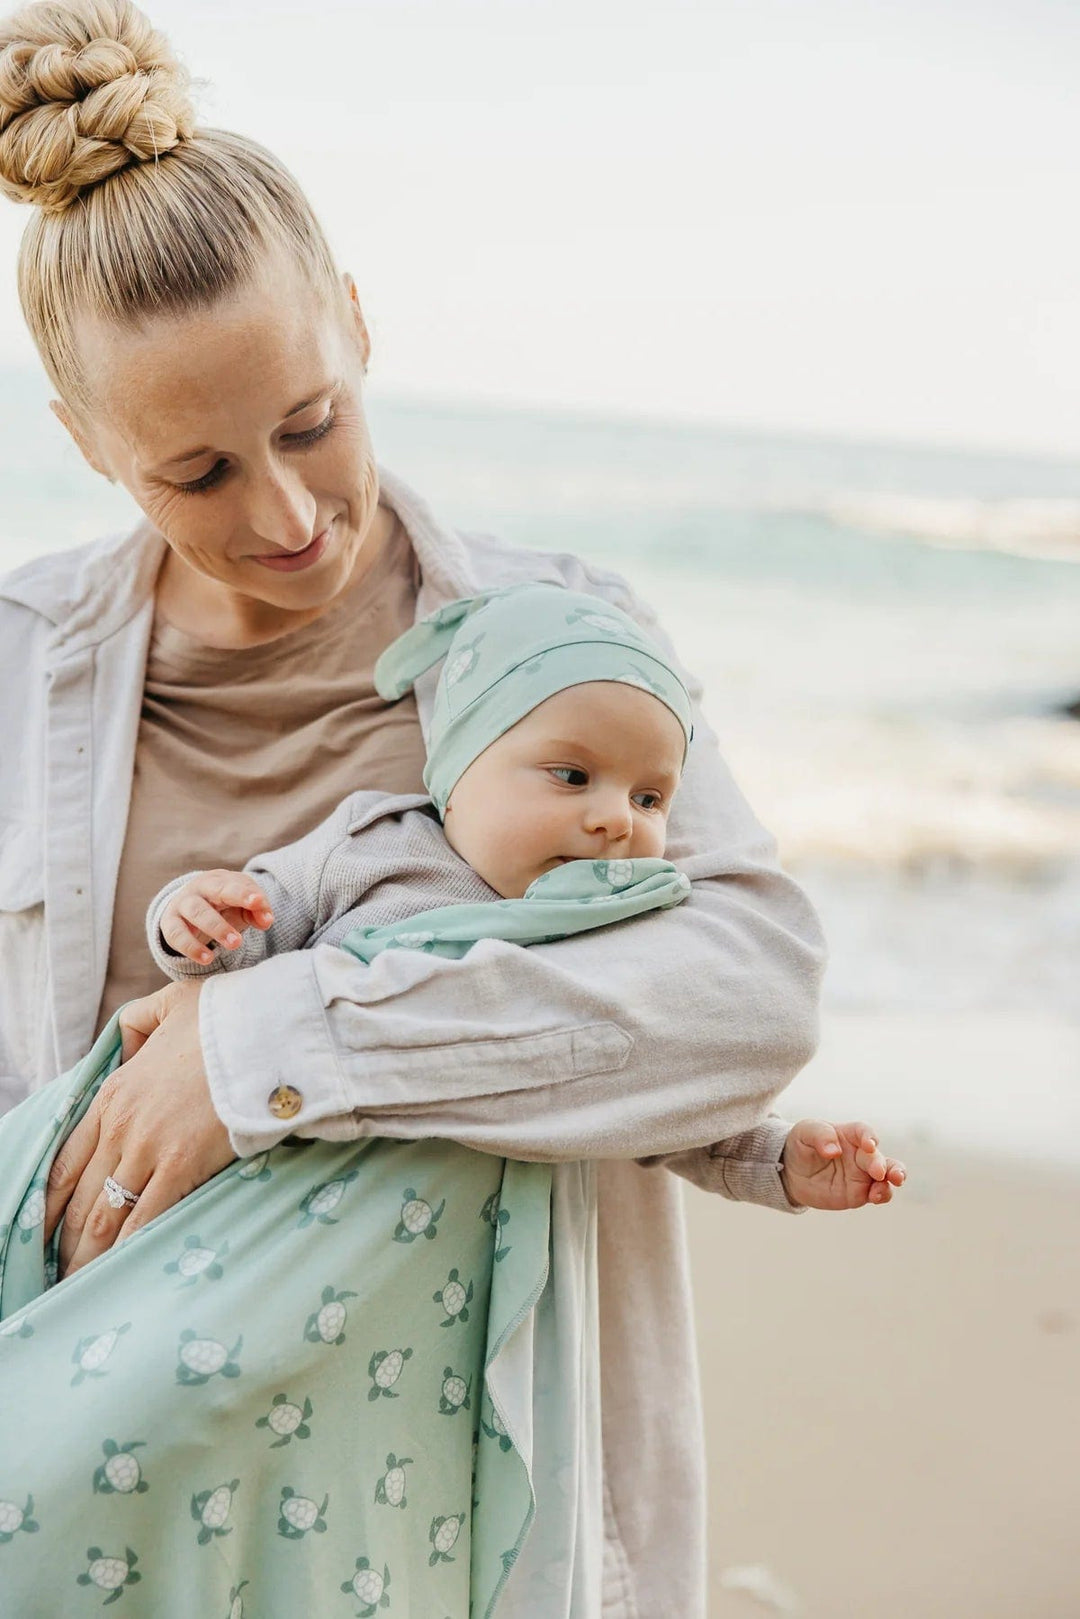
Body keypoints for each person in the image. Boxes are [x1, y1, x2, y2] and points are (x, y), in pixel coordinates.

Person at [0, 2, 876, 1612]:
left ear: (354, 318)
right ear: (88, 444)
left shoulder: (560, 639)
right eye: (196, 474)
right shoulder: (13, 664)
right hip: (102, 1499)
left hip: (468, 1509)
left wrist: (272, 1051)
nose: (285, 514)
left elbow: (750, 990)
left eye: (310, 423)